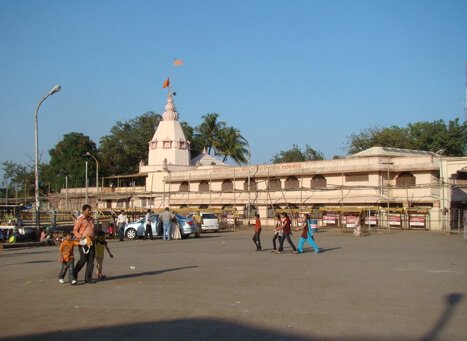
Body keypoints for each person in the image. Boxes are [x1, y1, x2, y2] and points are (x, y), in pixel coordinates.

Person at [73, 204, 96, 284]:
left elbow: (92, 230)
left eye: (90, 210)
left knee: (91, 260)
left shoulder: (91, 219)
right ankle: (74, 273)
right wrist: (81, 236)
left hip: (92, 241)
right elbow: (75, 231)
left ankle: (88, 278)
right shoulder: (80, 220)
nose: (90, 212)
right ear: (84, 211)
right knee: (83, 259)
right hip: (83, 242)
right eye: (88, 210)